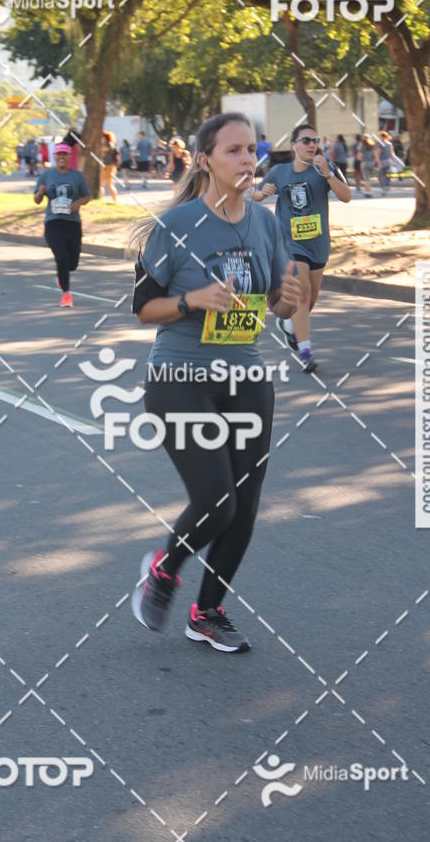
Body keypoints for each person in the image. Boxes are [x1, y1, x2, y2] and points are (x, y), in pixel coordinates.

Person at [129, 112, 302, 653]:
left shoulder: (266, 222)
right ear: (205, 160)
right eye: (234, 151)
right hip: (180, 376)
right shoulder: (175, 226)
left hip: (248, 377)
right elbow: (143, 308)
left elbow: (274, 300)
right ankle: (163, 567)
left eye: (253, 150)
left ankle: (207, 613)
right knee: (217, 502)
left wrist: (286, 303)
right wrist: (191, 301)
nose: (248, 159)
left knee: (244, 508)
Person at [253, 124, 351, 371]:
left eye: (315, 140)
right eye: (305, 140)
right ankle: (305, 351)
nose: (311, 145)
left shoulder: (325, 169)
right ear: (293, 144)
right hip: (289, 243)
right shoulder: (279, 172)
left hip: (318, 244)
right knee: (302, 290)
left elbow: (347, 196)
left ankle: (289, 325)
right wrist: (261, 192)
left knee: (310, 298)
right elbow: (254, 194)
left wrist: (328, 174)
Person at [33, 142, 91, 307]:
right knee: (61, 258)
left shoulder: (77, 176)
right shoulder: (46, 175)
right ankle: (66, 294)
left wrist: (78, 203)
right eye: (59, 154)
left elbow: (87, 196)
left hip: (72, 223)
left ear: (69, 156)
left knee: (72, 264)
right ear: (55, 156)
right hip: (53, 223)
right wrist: (41, 192)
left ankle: (62, 274)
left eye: (65, 154)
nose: (61, 157)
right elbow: (36, 200)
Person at [100, 131, 119, 203]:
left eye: (101, 137)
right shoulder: (109, 144)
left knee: (106, 184)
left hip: (108, 166)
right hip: (107, 166)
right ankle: (113, 200)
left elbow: (103, 150)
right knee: (107, 185)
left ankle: (114, 200)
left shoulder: (109, 145)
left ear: (105, 138)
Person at [375, 130, 394, 195]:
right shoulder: (389, 144)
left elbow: (377, 154)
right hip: (388, 161)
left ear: (381, 136)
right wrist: (392, 160)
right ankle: (387, 186)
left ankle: (384, 188)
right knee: (385, 174)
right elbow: (392, 153)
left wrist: (378, 163)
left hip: (382, 161)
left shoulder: (381, 144)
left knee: (380, 175)